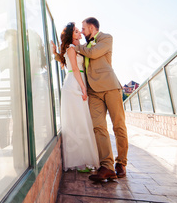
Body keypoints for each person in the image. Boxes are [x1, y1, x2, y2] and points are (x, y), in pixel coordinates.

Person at [52, 17, 128, 181]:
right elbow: (71, 60)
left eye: (84, 28)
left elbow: (91, 53)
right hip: (92, 92)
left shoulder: (105, 38)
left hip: (110, 88)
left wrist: (74, 46)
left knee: (119, 125)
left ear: (92, 28)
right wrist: (58, 54)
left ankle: (121, 163)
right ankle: (107, 166)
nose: (82, 31)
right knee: (98, 128)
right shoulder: (82, 46)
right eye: (79, 30)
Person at [58, 22, 99, 172]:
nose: (79, 33)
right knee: (77, 121)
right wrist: (83, 87)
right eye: (76, 31)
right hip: (74, 84)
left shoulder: (78, 48)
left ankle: (84, 158)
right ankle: (79, 161)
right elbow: (75, 68)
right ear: (71, 35)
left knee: (82, 120)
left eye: (79, 31)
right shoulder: (70, 48)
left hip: (79, 81)